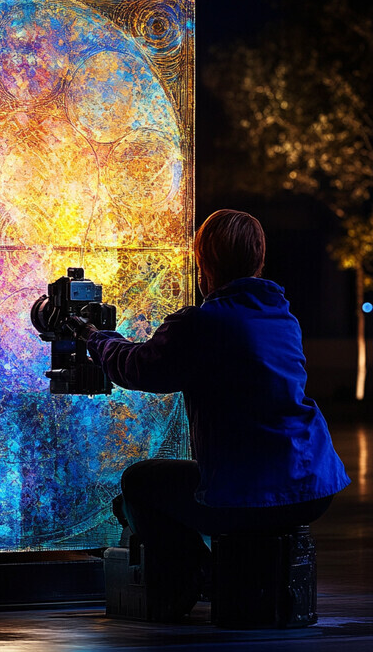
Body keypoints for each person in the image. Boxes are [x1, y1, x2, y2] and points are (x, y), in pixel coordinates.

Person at [70, 209, 350, 621]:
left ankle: (194, 578)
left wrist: (95, 337)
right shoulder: (280, 317)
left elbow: (138, 367)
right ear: (259, 261)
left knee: (139, 484)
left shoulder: (202, 324)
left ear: (204, 265)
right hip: (311, 487)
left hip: (255, 493)